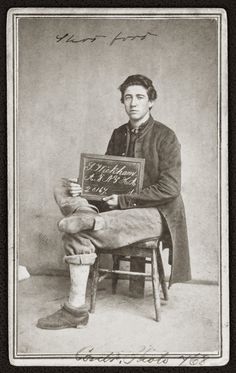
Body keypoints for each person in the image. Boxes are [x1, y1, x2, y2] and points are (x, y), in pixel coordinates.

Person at [37, 74, 191, 329]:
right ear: (123, 101)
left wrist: (124, 198)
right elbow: (107, 178)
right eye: (128, 97)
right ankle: (85, 214)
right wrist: (84, 187)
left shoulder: (166, 136)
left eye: (140, 97)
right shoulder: (118, 134)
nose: (133, 103)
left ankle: (75, 308)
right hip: (114, 212)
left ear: (151, 101)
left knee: (79, 233)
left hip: (154, 214)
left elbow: (170, 188)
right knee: (63, 186)